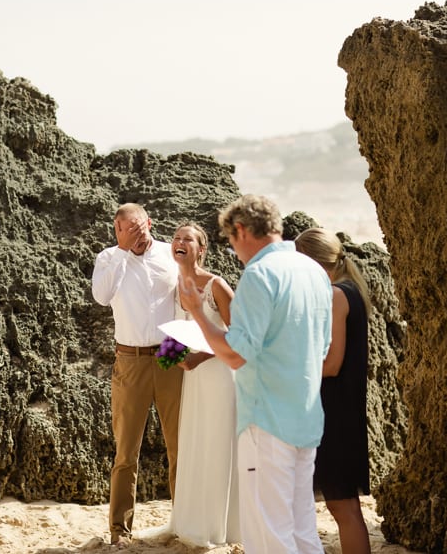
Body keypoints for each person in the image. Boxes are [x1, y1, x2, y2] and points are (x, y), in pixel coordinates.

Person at [178, 195, 332, 554]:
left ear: (242, 230)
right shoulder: (313, 271)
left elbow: (235, 354)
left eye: (230, 241)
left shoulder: (259, 275)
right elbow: (322, 348)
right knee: (302, 529)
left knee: (269, 533)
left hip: (267, 420)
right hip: (306, 417)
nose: (234, 251)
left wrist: (197, 311)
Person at [91, 203, 184, 547]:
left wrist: (181, 349)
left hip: (169, 353)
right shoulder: (108, 259)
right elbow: (101, 297)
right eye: (129, 230)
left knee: (179, 446)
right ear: (117, 230)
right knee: (126, 451)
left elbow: (186, 301)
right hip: (129, 358)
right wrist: (122, 251)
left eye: (141, 228)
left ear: (150, 223)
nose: (138, 236)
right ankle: (120, 529)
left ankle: (184, 521)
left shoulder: (170, 254)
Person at [295, 227, 371, 554]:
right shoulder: (351, 289)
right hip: (343, 407)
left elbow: (332, 364)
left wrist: (290, 371)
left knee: (343, 507)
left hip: (336, 411)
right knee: (343, 506)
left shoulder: (335, 294)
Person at [170, 222, 239, 546]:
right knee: (195, 443)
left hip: (219, 375)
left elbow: (240, 335)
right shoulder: (175, 286)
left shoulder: (216, 285)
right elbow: (173, 330)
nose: (180, 242)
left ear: (201, 249)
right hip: (192, 378)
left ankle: (220, 527)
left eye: (188, 239)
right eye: (176, 237)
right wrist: (173, 358)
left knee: (217, 444)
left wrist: (200, 358)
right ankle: (192, 521)